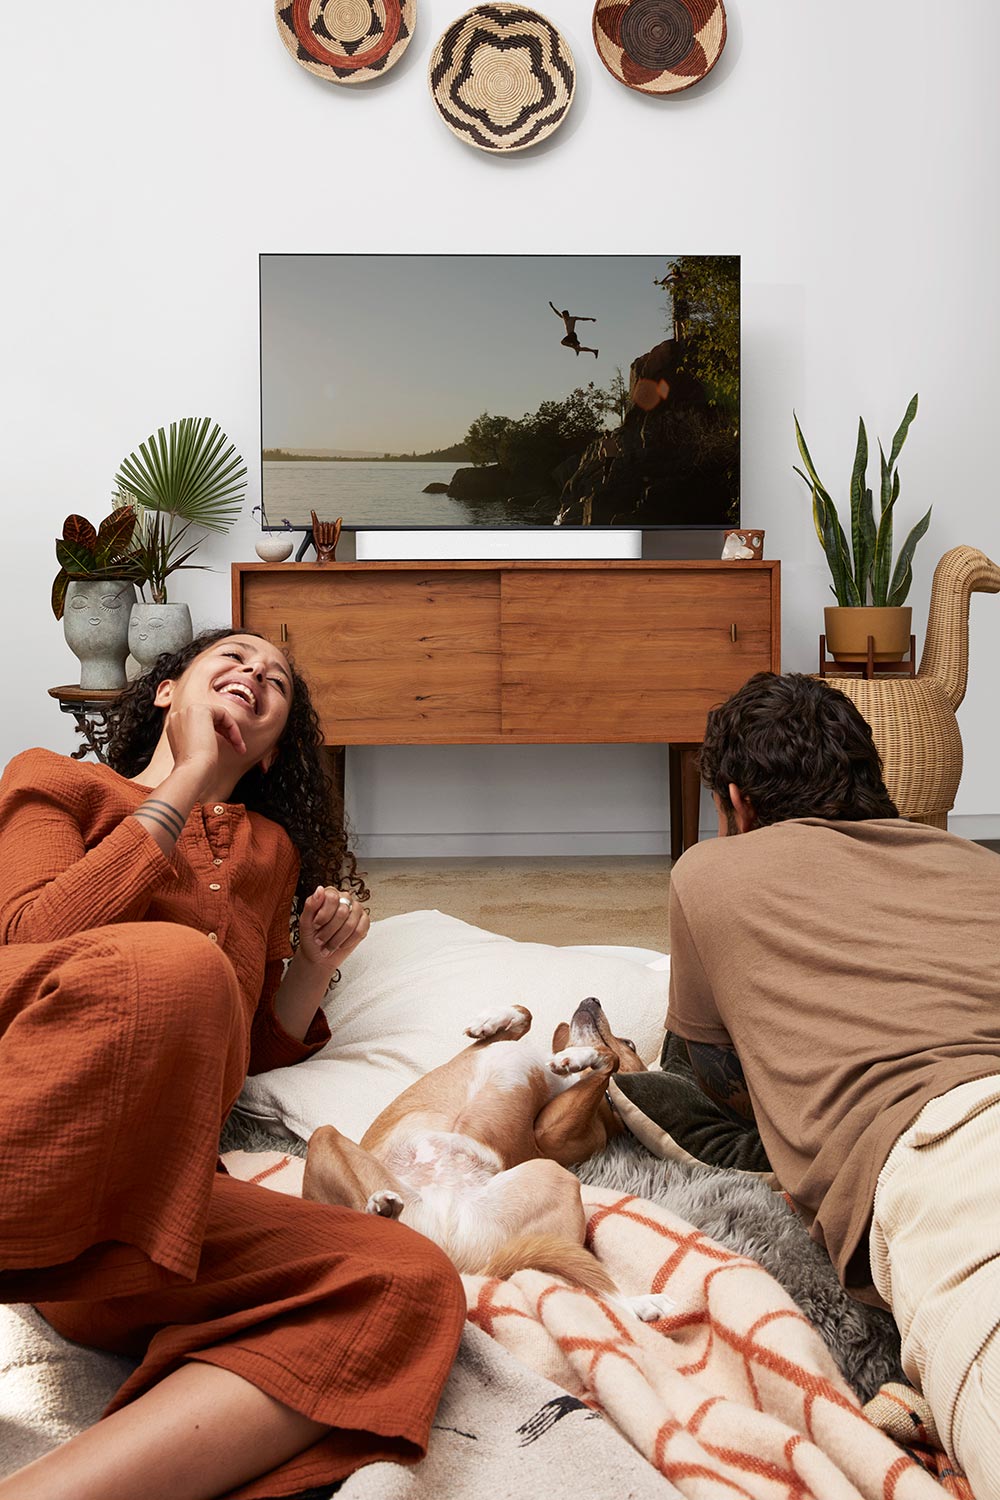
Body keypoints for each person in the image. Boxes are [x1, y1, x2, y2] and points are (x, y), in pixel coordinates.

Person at [0, 628, 466, 1500]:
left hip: (145, 1223)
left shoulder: (268, 854)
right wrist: (184, 779)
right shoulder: (52, 779)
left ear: (273, 752)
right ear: (169, 693)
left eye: (276, 681)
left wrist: (315, 969)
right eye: (237, 660)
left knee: (410, 1282)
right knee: (178, 966)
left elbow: (232, 1044)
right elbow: (28, 940)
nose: (256, 675)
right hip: (36, 1128)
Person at [666, 671, 1000, 1499]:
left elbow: (704, 1076)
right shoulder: (977, 861)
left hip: (947, 1159)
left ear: (735, 801)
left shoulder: (709, 874)